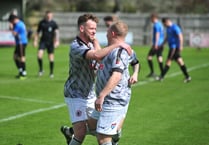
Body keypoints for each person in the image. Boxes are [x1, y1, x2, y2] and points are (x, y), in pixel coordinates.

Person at [62, 13, 132, 145]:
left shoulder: (92, 43)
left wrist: (97, 42)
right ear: (82, 29)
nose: (94, 31)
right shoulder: (76, 46)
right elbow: (97, 55)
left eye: (95, 28)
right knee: (82, 133)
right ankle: (74, 133)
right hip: (75, 93)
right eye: (91, 29)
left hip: (90, 93)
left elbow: (102, 60)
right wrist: (118, 44)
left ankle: (69, 132)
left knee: (102, 130)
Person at [91, 21, 133, 145]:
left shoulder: (119, 52)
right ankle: (116, 131)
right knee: (91, 126)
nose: (106, 33)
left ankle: (115, 131)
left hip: (111, 100)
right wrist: (95, 41)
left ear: (113, 33)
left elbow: (117, 75)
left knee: (103, 139)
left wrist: (102, 95)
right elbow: (99, 55)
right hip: (108, 100)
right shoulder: (112, 49)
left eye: (108, 31)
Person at [157, 17, 191, 83]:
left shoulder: (175, 27)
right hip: (172, 47)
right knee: (180, 62)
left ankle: (161, 76)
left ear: (166, 22)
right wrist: (162, 44)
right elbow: (167, 37)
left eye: (164, 24)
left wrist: (180, 46)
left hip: (174, 48)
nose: (164, 26)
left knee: (168, 61)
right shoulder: (168, 28)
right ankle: (187, 77)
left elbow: (180, 37)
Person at [33, 11, 59, 78]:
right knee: (39, 56)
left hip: (50, 42)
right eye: (47, 15)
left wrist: (57, 41)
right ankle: (41, 70)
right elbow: (37, 32)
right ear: (45, 15)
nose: (48, 16)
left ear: (52, 16)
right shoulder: (42, 23)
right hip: (43, 41)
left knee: (51, 58)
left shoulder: (54, 23)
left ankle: (51, 73)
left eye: (50, 15)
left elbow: (57, 33)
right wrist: (35, 40)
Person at [8, 14, 28, 80]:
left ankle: (24, 73)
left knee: (21, 57)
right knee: (15, 57)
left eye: (11, 21)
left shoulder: (19, 25)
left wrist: (11, 28)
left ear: (13, 20)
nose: (11, 23)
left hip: (21, 42)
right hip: (19, 43)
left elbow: (14, 33)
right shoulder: (20, 23)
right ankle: (20, 70)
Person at [146, 13, 164, 78]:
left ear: (154, 18)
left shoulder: (156, 25)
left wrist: (155, 44)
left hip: (157, 44)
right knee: (159, 58)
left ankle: (153, 72)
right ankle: (162, 73)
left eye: (151, 18)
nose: (150, 20)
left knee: (149, 57)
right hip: (161, 44)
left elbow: (157, 34)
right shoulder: (160, 24)